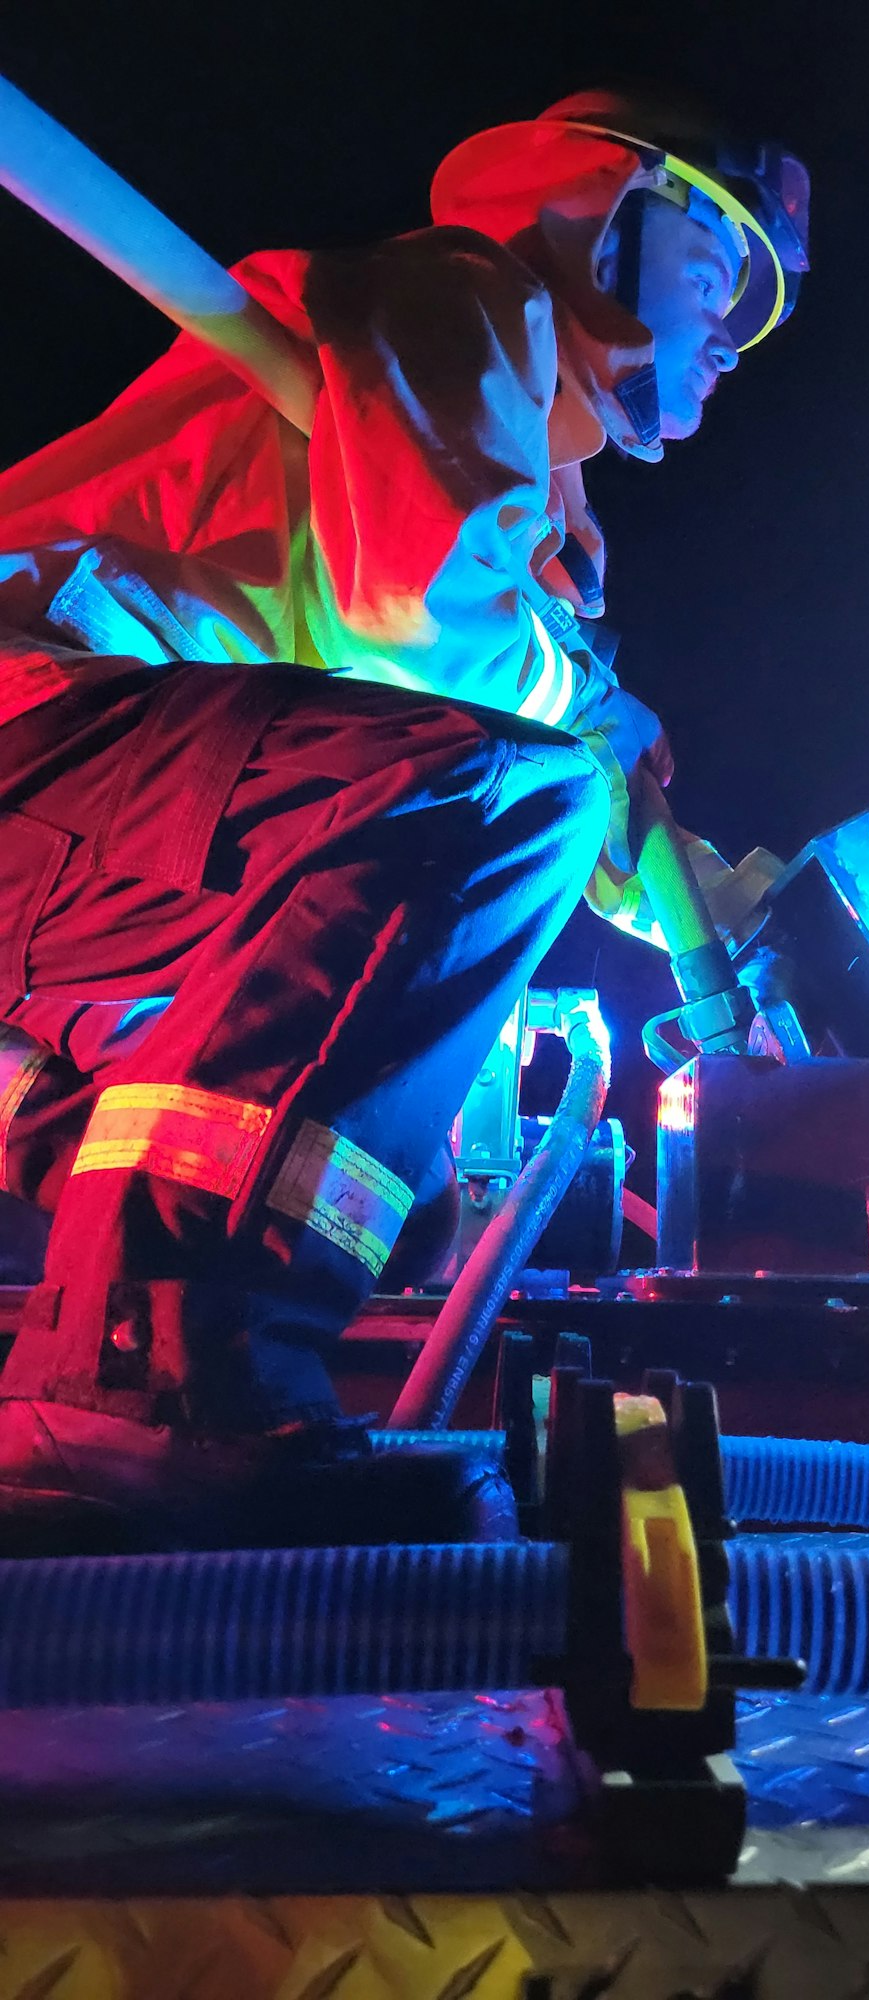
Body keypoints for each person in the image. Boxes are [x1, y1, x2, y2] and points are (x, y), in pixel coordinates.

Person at [0, 90, 809, 1541]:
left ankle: (99, 1409)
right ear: (611, 225)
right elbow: (429, 629)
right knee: (505, 796)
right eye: (718, 280)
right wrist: (586, 734)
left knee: (359, 1162)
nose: (726, 340)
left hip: (84, 830)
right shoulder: (465, 300)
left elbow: (436, 661)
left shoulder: (512, 466)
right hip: (42, 744)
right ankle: (161, 1387)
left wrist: (657, 879)